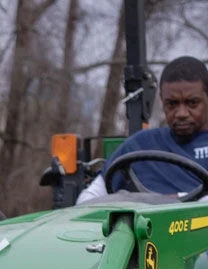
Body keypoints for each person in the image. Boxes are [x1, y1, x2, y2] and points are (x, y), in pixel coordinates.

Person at [77, 56, 208, 202]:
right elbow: (89, 198)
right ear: (162, 100)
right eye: (172, 104)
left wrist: (172, 201)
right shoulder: (139, 145)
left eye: (192, 103)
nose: (181, 113)